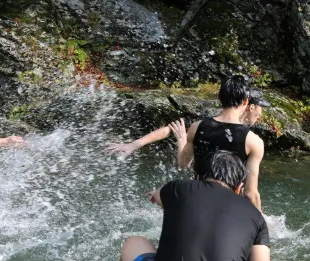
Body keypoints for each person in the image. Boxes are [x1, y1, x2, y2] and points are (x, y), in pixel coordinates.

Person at [119, 150, 281, 261]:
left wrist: (158, 195)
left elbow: (157, 196)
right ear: (239, 188)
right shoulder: (256, 217)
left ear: (196, 178)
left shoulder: (178, 189)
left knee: (133, 242)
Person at [109, 76, 269, 210]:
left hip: (196, 201)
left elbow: (183, 162)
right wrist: (261, 224)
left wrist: (180, 140)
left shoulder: (198, 126)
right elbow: (250, 193)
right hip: (229, 206)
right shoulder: (253, 141)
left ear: (220, 97)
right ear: (247, 102)